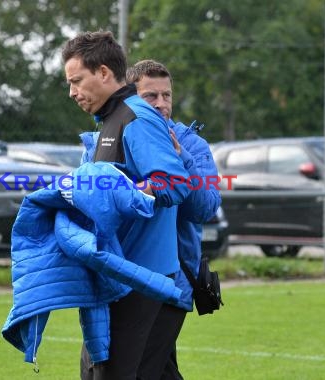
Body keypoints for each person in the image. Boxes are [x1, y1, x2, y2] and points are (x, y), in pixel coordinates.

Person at [62, 31, 191, 379]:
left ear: (104, 73)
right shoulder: (110, 119)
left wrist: (123, 192)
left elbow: (176, 184)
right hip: (117, 277)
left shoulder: (137, 117)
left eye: (77, 81)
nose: (72, 92)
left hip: (139, 281)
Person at [127, 60, 221, 379]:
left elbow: (205, 208)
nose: (161, 104)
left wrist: (182, 159)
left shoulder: (192, 144)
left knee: (139, 371)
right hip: (126, 277)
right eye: (150, 96)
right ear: (131, 98)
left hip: (172, 280)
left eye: (166, 96)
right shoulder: (121, 135)